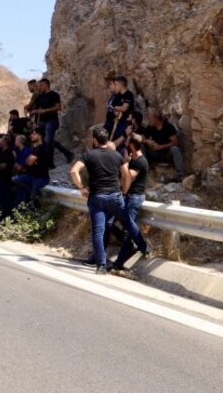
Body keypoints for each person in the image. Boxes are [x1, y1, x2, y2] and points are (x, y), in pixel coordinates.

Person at [69, 126, 124, 274]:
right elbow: (126, 174)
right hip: (115, 197)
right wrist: (123, 190)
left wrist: (82, 187)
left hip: (97, 198)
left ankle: (101, 266)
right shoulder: (117, 155)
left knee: (98, 232)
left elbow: (74, 171)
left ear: (95, 140)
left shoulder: (89, 155)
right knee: (127, 224)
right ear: (107, 139)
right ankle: (135, 248)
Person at [110, 133, 151, 271]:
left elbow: (129, 177)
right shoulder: (134, 159)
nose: (125, 144)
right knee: (109, 222)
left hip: (134, 198)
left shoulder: (140, 161)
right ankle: (139, 246)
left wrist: (125, 163)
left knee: (127, 231)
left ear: (132, 145)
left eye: (128, 142)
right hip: (127, 196)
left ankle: (120, 262)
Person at [31, 78, 74, 165]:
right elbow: (37, 108)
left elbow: (58, 107)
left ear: (46, 85)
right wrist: (34, 114)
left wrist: (46, 110)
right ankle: (50, 163)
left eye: (41, 85)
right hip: (41, 122)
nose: (39, 87)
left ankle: (67, 154)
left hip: (52, 121)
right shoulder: (40, 97)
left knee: (48, 140)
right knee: (46, 142)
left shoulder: (54, 95)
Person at [12, 127, 51, 209]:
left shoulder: (42, 148)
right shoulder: (35, 149)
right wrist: (32, 161)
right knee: (16, 179)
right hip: (32, 176)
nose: (31, 136)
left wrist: (31, 161)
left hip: (41, 177)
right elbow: (27, 161)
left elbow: (29, 162)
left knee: (34, 197)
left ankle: (36, 212)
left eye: (34, 134)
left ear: (39, 136)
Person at [141, 109, 184, 180]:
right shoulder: (150, 127)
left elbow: (175, 142)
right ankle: (145, 171)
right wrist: (148, 141)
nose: (148, 119)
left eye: (149, 117)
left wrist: (161, 147)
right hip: (155, 154)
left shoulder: (168, 127)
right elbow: (142, 138)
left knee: (175, 149)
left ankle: (180, 175)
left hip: (167, 154)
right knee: (142, 146)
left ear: (155, 118)